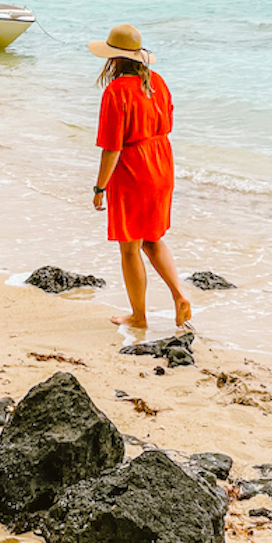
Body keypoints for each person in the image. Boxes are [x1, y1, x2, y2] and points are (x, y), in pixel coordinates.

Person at [90, 23, 192, 332]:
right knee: (152, 239)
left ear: (113, 58)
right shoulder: (157, 82)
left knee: (129, 248)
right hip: (162, 163)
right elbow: (167, 124)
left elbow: (112, 148)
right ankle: (179, 295)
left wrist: (99, 187)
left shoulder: (115, 91)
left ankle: (138, 316)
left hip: (134, 169)